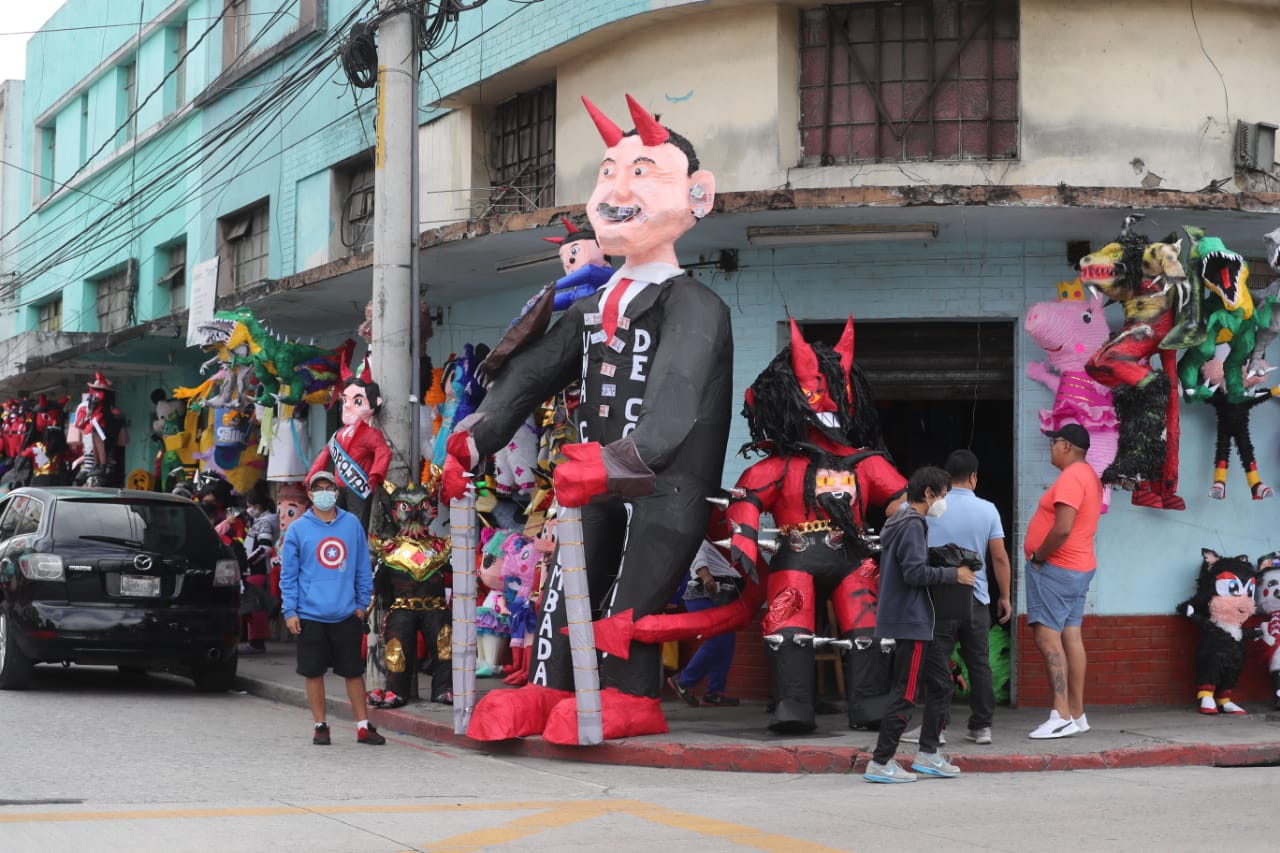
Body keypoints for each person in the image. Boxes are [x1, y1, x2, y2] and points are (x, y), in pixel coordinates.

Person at [442, 94, 732, 745]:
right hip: (591, 481)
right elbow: (529, 374)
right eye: (610, 170)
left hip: (664, 489)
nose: (618, 189)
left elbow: (675, 405)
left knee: (628, 597)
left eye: (643, 172)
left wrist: (610, 462)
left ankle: (632, 697)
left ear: (698, 196)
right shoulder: (592, 306)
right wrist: (475, 439)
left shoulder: (697, 305)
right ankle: (546, 685)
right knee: (564, 589)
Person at [864, 467, 976, 784]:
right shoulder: (912, 524)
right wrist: (954, 575)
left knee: (942, 684)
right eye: (941, 496)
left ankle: (928, 753)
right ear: (928, 493)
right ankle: (881, 760)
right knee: (906, 692)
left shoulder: (898, 521)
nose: (943, 502)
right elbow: (914, 573)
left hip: (918, 622)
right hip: (911, 622)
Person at [280, 471, 384, 746]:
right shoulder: (298, 529)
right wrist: (290, 611)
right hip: (310, 615)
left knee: (352, 671)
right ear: (310, 494)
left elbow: (363, 567)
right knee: (313, 672)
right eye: (318, 489)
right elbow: (288, 576)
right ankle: (320, 725)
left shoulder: (351, 525)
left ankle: (363, 726)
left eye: (329, 488)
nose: (324, 493)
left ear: (336, 493)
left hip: (346, 613)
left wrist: (362, 604)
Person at [919, 449, 1012, 746]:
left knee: (939, 662)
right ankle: (981, 727)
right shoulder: (988, 509)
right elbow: (999, 558)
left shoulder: (934, 507)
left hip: (939, 595)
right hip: (976, 596)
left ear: (947, 477)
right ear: (974, 477)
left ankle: (939, 727)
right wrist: (1005, 597)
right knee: (979, 663)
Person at [1024, 423, 1103, 739]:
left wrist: (1039, 557)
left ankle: (1060, 713)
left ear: (1068, 446)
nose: (1051, 447)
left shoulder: (1072, 477)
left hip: (1057, 569)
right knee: (1071, 635)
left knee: (1047, 638)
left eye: (1054, 442)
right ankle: (1078, 714)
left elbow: (1062, 528)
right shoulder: (1090, 477)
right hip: (1079, 568)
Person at [667, 540, 743, 708]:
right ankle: (684, 681)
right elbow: (696, 553)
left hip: (716, 593)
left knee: (727, 642)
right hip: (702, 592)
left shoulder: (713, 542)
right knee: (717, 640)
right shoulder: (697, 536)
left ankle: (715, 693)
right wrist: (706, 575)